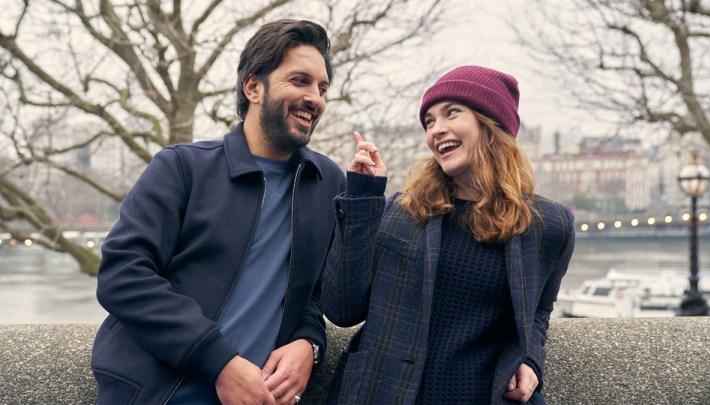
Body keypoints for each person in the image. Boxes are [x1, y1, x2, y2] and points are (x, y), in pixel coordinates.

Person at [91, 19, 346, 405]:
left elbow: (313, 295)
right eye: (299, 81)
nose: (315, 97)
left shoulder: (327, 182)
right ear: (253, 87)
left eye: (322, 87)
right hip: (159, 394)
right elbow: (122, 274)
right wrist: (220, 362)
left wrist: (309, 343)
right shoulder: (181, 167)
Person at [322, 65, 575, 404]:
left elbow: (539, 309)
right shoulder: (401, 213)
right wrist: (363, 197)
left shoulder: (548, 226)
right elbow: (341, 309)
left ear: (491, 123)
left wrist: (529, 358)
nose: (436, 130)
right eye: (429, 121)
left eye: (451, 113)